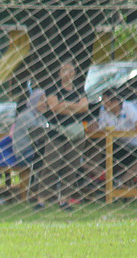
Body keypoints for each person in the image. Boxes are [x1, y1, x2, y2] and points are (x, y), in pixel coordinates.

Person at [35, 60, 89, 210]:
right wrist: (74, 106)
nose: (67, 73)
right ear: (59, 73)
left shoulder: (79, 88)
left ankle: (64, 200)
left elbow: (84, 107)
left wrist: (66, 105)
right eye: (64, 70)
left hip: (75, 134)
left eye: (70, 70)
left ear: (75, 72)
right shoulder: (53, 88)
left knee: (70, 167)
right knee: (51, 166)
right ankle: (41, 200)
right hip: (57, 133)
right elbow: (55, 107)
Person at [86, 88, 137, 187]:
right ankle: (102, 177)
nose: (103, 104)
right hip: (116, 145)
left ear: (115, 102)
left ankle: (119, 182)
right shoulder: (104, 110)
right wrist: (94, 127)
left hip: (133, 145)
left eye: (106, 102)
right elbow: (102, 129)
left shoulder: (128, 107)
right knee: (94, 150)